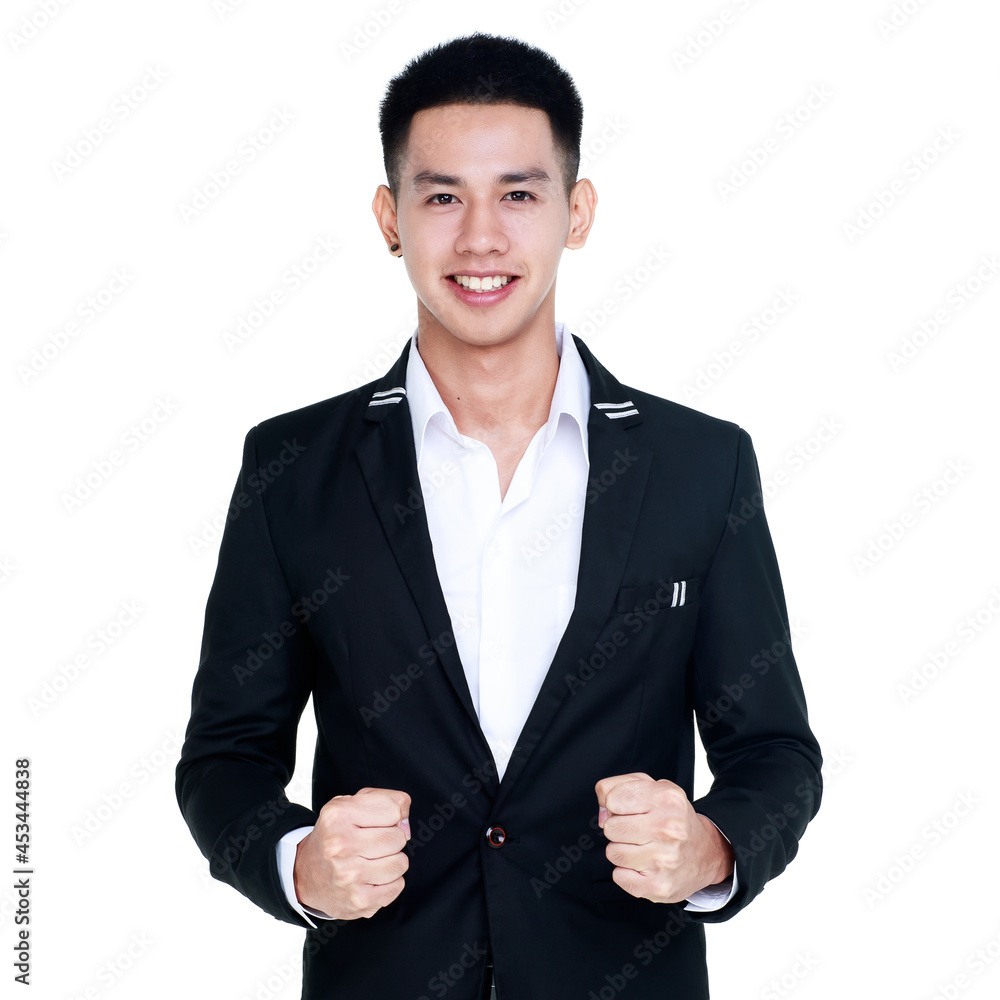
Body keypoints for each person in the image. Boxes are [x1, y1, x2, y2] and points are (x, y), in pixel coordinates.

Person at [175, 32, 822, 1000]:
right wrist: (294, 861)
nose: (480, 237)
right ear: (391, 218)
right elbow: (225, 754)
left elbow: (773, 749)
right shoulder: (293, 466)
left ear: (577, 210)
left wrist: (713, 848)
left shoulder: (700, 463)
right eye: (442, 196)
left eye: (518, 193)